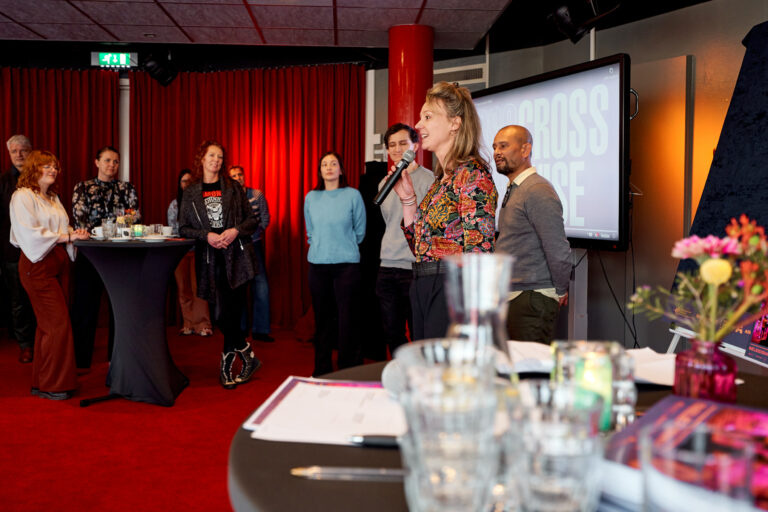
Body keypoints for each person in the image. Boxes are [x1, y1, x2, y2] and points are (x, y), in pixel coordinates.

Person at [392, 82, 498, 340]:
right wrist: (408, 200)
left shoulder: (473, 175)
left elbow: (480, 253)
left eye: (427, 117)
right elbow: (421, 247)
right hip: (424, 283)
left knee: (445, 375)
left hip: (453, 290)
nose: (418, 125)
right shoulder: (442, 181)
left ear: (455, 123)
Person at [179, 140, 261, 389]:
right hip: (209, 259)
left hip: (236, 257)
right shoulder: (191, 191)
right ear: (201, 159)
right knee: (221, 316)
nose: (216, 160)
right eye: (211, 155)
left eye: (220, 156)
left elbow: (252, 221)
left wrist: (235, 230)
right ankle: (247, 354)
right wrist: (207, 236)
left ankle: (226, 368)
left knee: (231, 313)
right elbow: (183, 227)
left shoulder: (233, 188)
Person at [9, 150, 90, 399]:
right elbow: (28, 235)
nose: (53, 170)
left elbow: (63, 227)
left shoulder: (53, 198)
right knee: (57, 325)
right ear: (34, 168)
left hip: (58, 261)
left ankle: (41, 382)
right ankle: (55, 385)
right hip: (38, 264)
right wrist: (66, 236)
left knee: (48, 326)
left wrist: (75, 234)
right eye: (46, 166)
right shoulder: (22, 197)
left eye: (55, 166)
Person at [493, 125, 571, 344]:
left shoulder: (537, 189)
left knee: (529, 373)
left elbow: (557, 247)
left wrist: (560, 289)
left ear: (525, 150)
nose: (497, 152)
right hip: (516, 297)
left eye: (504, 146)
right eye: (495, 147)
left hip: (531, 298)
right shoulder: (516, 188)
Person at [70, 146, 138, 369]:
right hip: (90, 253)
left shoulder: (126, 188)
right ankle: (81, 360)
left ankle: (116, 357)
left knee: (119, 307)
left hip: (119, 254)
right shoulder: (83, 187)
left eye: (116, 162)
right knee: (84, 307)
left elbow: (134, 217)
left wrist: (108, 228)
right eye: (107, 160)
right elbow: (80, 220)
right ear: (97, 162)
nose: (112, 165)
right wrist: (111, 227)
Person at [303, 151, 366, 376]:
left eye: (333, 163)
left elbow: (360, 231)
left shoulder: (353, 195)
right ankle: (322, 368)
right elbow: (310, 231)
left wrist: (343, 246)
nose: (328, 167)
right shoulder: (311, 197)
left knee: (348, 318)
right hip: (318, 265)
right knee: (323, 320)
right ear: (320, 171)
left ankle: (349, 367)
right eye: (324, 164)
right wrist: (321, 245)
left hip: (346, 265)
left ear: (341, 169)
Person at [376, 123, 433, 356]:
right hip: (387, 266)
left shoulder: (430, 180)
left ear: (415, 146)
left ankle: (422, 381)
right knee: (392, 332)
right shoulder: (384, 183)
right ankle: (400, 375)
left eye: (403, 143)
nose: (397, 149)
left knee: (420, 333)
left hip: (415, 267)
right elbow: (389, 223)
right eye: (392, 145)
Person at [0, 134, 36, 363]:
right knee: (18, 300)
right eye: (14, 151)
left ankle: (42, 340)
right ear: (9, 154)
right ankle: (25, 344)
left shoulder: (40, 177)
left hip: (39, 249)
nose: (19, 155)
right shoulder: (2, 182)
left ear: (30, 152)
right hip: (11, 251)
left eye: (23, 150)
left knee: (38, 297)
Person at [228, 165, 272, 343]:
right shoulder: (228, 198)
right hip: (236, 247)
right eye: (234, 176)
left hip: (254, 244)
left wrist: (253, 232)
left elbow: (265, 217)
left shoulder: (256, 195)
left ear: (244, 176)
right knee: (239, 287)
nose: (238, 178)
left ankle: (261, 330)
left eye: (240, 175)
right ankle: (241, 328)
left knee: (261, 286)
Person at [168, 168, 212, 337]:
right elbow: (173, 230)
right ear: (180, 185)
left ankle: (203, 324)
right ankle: (188, 323)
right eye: (183, 181)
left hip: (199, 251)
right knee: (183, 289)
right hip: (180, 252)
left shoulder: (201, 203)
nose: (186, 184)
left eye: (189, 181)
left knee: (199, 289)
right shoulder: (174, 205)